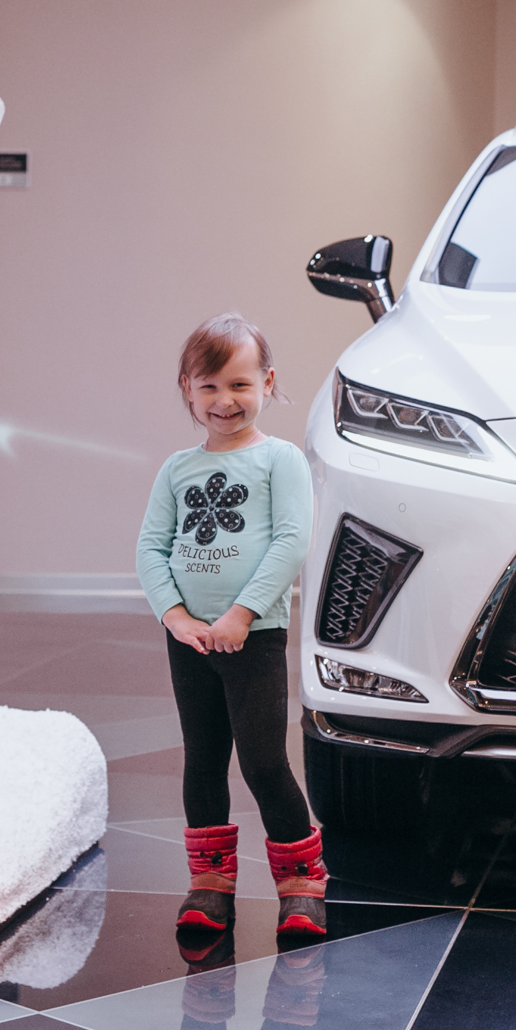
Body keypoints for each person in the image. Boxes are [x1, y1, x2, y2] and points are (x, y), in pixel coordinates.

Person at [136, 312, 325, 937]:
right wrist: (176, 617)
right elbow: (151, 548)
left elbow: (292, 541)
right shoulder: (176, 469)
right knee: (203, 760)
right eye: (210, 386)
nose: (225, 400)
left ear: (267, 382)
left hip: (254, 637)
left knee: (264, 761)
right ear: (187, 389)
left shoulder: (280, 460)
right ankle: (209, 884)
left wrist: (242, 614)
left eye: (240, 384)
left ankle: (302, 884)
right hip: (190, 640)